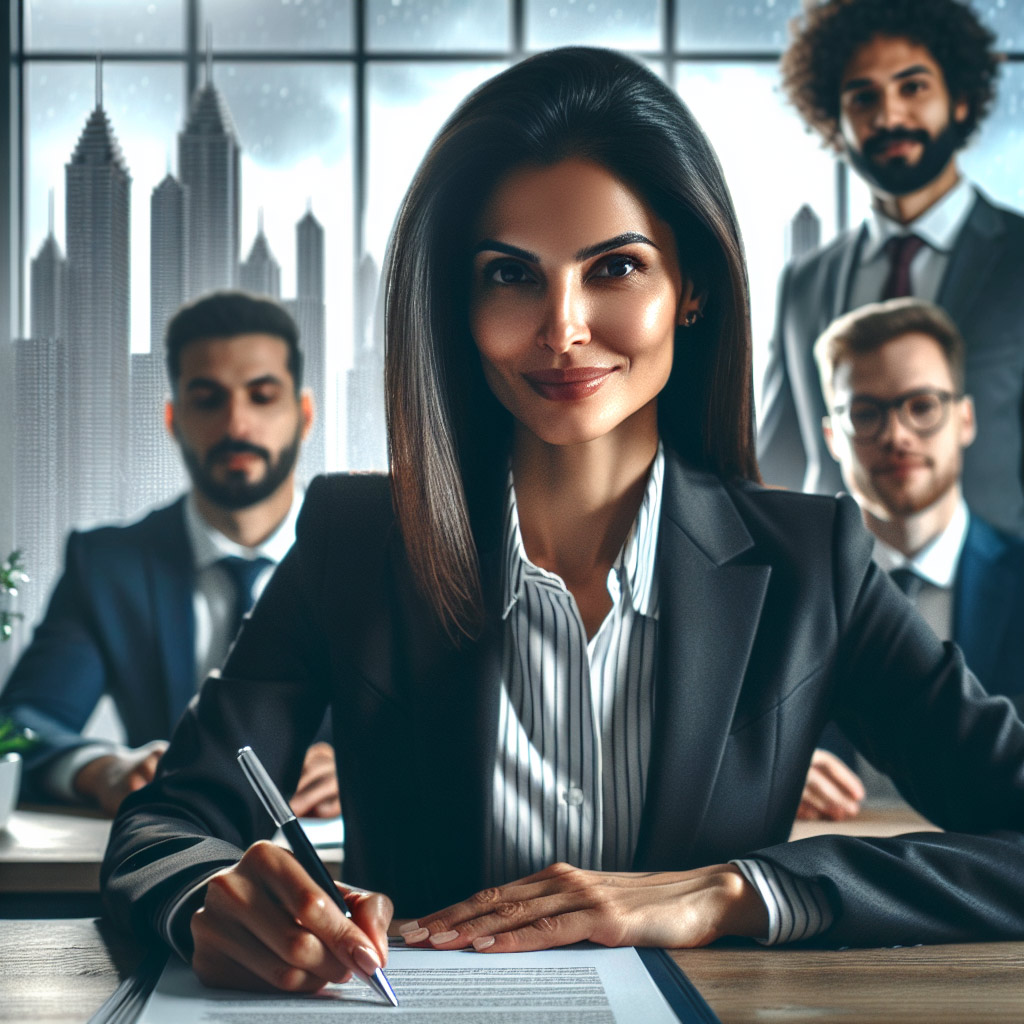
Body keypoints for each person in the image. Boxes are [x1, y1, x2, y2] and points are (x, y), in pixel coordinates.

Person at [102, 48, 1024, 996]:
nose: (563, 329)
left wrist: (735, 892)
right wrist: (211, 894)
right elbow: (166, 826)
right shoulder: (354, 538)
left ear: (692, 286)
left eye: (616, 266)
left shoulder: (809, 563)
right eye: (511, 276)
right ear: (458, 303)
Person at [0, 291, 338, 818]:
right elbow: (23, 722)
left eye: (262, 395)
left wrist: (362, 767)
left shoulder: (370, 559)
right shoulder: (108, 567)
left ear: (304, 414)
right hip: (169, 866)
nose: (236, 426)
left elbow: (450, 727)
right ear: (174, 418)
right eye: (208, 399)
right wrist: (101, 768)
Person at [757, 0, 1024, 538]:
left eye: (913, 87)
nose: (888, 116)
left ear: (962, 101)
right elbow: (777, 464)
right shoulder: (804, 284)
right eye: (864, 97)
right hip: (835, 604)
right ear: (836, 118)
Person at [797, 297, 1024, 821]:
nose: (897, 435)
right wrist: (773, 771)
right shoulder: (783, 595)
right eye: (866, 413)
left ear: (964, 419)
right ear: (833, 436)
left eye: (921, 405)